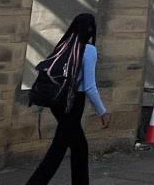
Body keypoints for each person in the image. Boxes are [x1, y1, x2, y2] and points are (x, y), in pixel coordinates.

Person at [27, 13, 110, 185]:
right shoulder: (88, 50)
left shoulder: (64, 45)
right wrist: (102, 111)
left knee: (79, 147)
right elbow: (89, 87)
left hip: (57, 101)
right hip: (73, 102)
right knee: (58, 150)